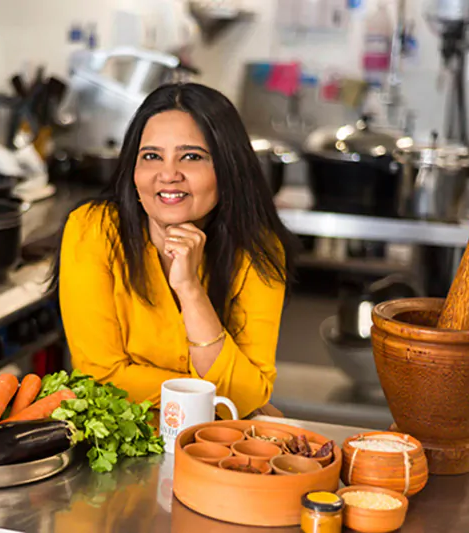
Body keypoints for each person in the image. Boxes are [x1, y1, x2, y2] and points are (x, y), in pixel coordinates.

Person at [52, 83, 297, 418]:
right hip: (121, 443)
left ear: (227, 167)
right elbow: (100, 377)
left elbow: (246, 396)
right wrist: (217, 392)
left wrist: (191, 290)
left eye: (191, 157)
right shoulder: (93, 229)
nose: (168, 175)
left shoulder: (258, 248)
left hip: (212, 446)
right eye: (152, 156)